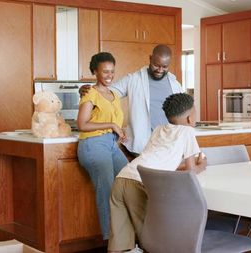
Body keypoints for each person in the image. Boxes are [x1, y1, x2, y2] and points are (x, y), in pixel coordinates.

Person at [107, 93, 207, 253]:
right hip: (140, 183)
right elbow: (191, 171)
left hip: (122, 178)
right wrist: (202, 164)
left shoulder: (160, 129)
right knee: (152, 237)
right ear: (190, 118)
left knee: (120, 243)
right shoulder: (187, 132)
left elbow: (156, 158)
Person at [80, 44, 183, 155]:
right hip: (142, 145)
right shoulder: (134, 79)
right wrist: (86, 89)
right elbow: (105, 92)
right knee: (142, 172)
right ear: (150, 58)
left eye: (165, 67)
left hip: (167, 144)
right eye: (156, 65)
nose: (160, 70)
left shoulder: (175, 84)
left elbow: (182, 113)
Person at [76, 52, 128, 240]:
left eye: (112, 72)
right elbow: (82, 124)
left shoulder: (114, 93)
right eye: (105, 72)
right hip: (93, 145)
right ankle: (114, 243)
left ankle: (129, 237)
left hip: (111, 145)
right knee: (106, 192)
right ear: (94, 72)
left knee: (130, 183)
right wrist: (111, 125)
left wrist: (120, 131)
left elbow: (113, 120)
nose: (109, 75)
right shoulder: (90, 93)